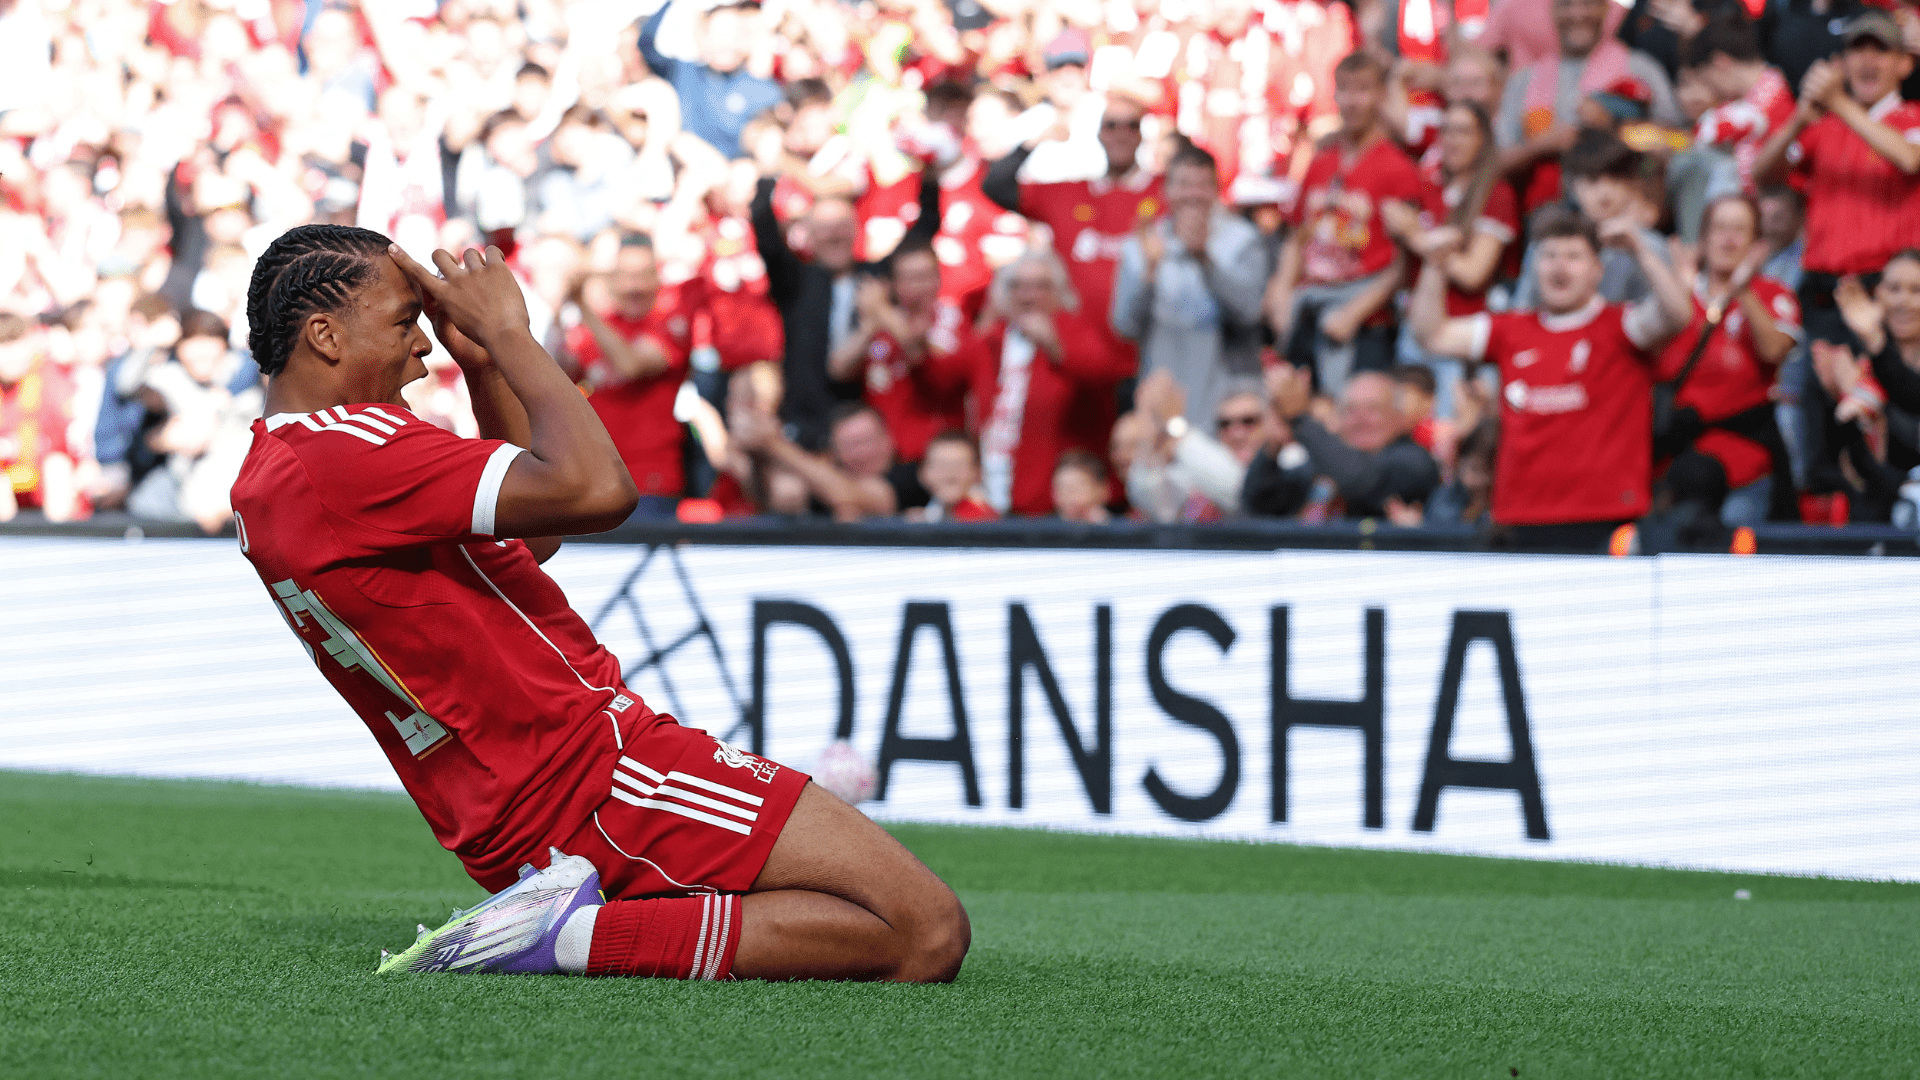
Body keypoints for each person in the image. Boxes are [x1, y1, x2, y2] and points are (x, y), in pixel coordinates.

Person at [230, 223, 967, 983]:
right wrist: (511, 334)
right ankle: (560, 938)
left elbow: (534, 538)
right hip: (594, 773)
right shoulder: (349, 450)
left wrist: (483, 366)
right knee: (926, 932)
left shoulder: (276, 470)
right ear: (324, 335)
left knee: (878, 929)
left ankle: (562, 927)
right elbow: (599, 491)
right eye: (404, 323)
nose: (424, 348)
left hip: (521, 800)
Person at [1410, 207, 1694, 550]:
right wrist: (1434, 264)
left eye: (1574, 256)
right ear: (1533, 268)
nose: (1559, 266)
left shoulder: (1621, 326)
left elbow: (1678, 314)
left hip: (1604, 518)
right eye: (1549, 255)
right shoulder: (1510, 330)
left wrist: (1639, 249)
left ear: (1597, 271)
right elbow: (1432, 335)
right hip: (1519, 517)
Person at [1754, 11, 1920, 350]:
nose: (1867, 60)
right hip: (1822, 295)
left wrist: (1837, 101)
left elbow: (1909, 157)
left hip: (1887, 296)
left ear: (1904, 64)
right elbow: (1763, 176)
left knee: (1881, 396)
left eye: (1881, 51)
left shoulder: (1912, 117)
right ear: (1841, 64)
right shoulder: (1823, 126)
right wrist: (1799, 120)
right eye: (1857, 51)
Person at [921, 251, 1129, 516]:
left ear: (1059, 291)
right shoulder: (991, 339)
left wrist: (1054, 344)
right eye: (1017, 286)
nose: (1028, 296)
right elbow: (940, 378)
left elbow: (1103, 373)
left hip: (1056, 502)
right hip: (990, 496)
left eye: (1041, 286)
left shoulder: (1074, 332)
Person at [1265, 52, 1423, 394]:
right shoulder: (1321, 162)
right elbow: (1298, 236)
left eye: (1364, 90)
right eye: (1345, 90)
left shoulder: (1399, 170)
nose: (1353, 101)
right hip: (1311, 308)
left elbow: (1406, 260)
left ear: (1381, 95)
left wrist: (1355, 311)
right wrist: (1281, 289)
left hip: (1363, 320)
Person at [753, 170, 941, 450]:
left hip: (865, 421)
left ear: (855, 229)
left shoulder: (875, 277)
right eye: (824, 227)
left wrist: (929, 174)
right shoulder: (795, 280)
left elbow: (923, 229)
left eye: (841, 225)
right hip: (806, 417)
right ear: (809, 235)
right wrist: (768, 176)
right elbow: (765, 234)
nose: (834, 235)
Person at [982, 93, 1163, 376]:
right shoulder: (1067, 193)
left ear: (1142, 135)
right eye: (1111, 125)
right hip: (1075, 355)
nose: (1121, 134)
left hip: (1149, 355)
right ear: (1099, 134)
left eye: (1131, 125)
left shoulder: (1165, 192)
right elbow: (996, 185)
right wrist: (1036, 140)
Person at [1654, 194, 1799, 532]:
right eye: (1719, 228)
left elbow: (1775, 349)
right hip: (1674, 459)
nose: (1729, 239)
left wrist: (1743, 289)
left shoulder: (1772, 294)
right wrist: (1677, 288)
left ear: (1756, 244)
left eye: (1740, 230)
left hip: (1742, 465)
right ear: (1702, 239)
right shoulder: (1678, 296)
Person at [1111, 145, 1269, 431]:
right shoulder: (1141, 244)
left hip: (1228, 407)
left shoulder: (1243, 239)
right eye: (1183, 185)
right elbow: (1124, 326)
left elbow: (1249, 314)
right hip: (1162, 398)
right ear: (1166, 190)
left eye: (1202, 185)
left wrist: (1204, 258)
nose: (1192, 195)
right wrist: (1149, 273)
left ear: (1216, 189)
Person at [1496, 0, 1681, 216]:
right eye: (1568, 5)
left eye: (1588, 3)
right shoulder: (1524, 80)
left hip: (1624, 213)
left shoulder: (1641, 69)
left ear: (1606, 9)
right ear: (1553, 10)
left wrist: (1615, 128)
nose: (1578, 13)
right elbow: (1496, 163)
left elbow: (1679, 141)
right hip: (1547, 223)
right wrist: (1540, 145)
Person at [564, 234, 702, 519]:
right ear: (612, 281)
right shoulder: (602, 327)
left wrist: (582, 306)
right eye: (625, 276)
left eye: (642, 275)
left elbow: (630, 365)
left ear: (657, 278)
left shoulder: (670, 323)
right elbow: (559, 372)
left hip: (651, 479)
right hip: (597, 478)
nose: (633, 287)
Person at [825, 238, 968, 464]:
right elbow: (838, 369)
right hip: (881, 458)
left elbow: (924, 359)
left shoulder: (952, 320)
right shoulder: (882, 324)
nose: (921, 285)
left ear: (939, 278)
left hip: (931, 459)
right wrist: (870, 326)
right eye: (911, 278)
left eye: (926, 276)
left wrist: (881, 312)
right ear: (894, 284)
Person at [1261, 364, 1442, 520]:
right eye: (1350, 410)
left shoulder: (1413, 461)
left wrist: (1299, 419)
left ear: (1400, 416)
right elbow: (1260, 501)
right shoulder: (1324, 461)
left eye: (1374, 409)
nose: (1360, 419)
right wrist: (1272, 448)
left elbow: (1360, 479)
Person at [638, 0, 783, 160]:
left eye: (733, 34)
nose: (726, 43)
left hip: (724, 175)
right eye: (718, 34)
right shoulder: (682, 70)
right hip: (670, 160)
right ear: (703, 38)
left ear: (745, 40)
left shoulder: (762, 90)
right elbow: (646, 44)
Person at [1122, 371, 1262, 523]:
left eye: (1248, 421)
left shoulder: (1284, 463)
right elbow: (1151, 502)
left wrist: (1175, 426)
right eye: (1225, 424)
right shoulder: (1200, 470)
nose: (1236, 434)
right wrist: (1149, 436)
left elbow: (1239, 490)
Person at [1684, 13, 1797, 195]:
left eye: (1708, 81)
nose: (1713, 91)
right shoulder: (1755, 99)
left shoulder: (1776, 100)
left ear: (1720, 63)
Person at [0, 313, 80, 522]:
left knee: (57, 468)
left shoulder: (49, 377)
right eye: (4, 346)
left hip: (43, 471)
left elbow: (63, 439)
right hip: (6, 476)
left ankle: (61, 542)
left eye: (17, 344)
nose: (12, 354)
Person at [909, 429, 997, 522]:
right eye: (941, 466)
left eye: (958, 466)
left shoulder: (981, 520)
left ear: (977, 472)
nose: (949, 475)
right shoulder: (932, 513)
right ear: (922, 473)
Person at [1051, 449, 1112, 524]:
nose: (1068, 496)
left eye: (1076, 489)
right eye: (1061, 489)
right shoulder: (1044, 530)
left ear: (1102, 490)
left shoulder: (1120, 528)